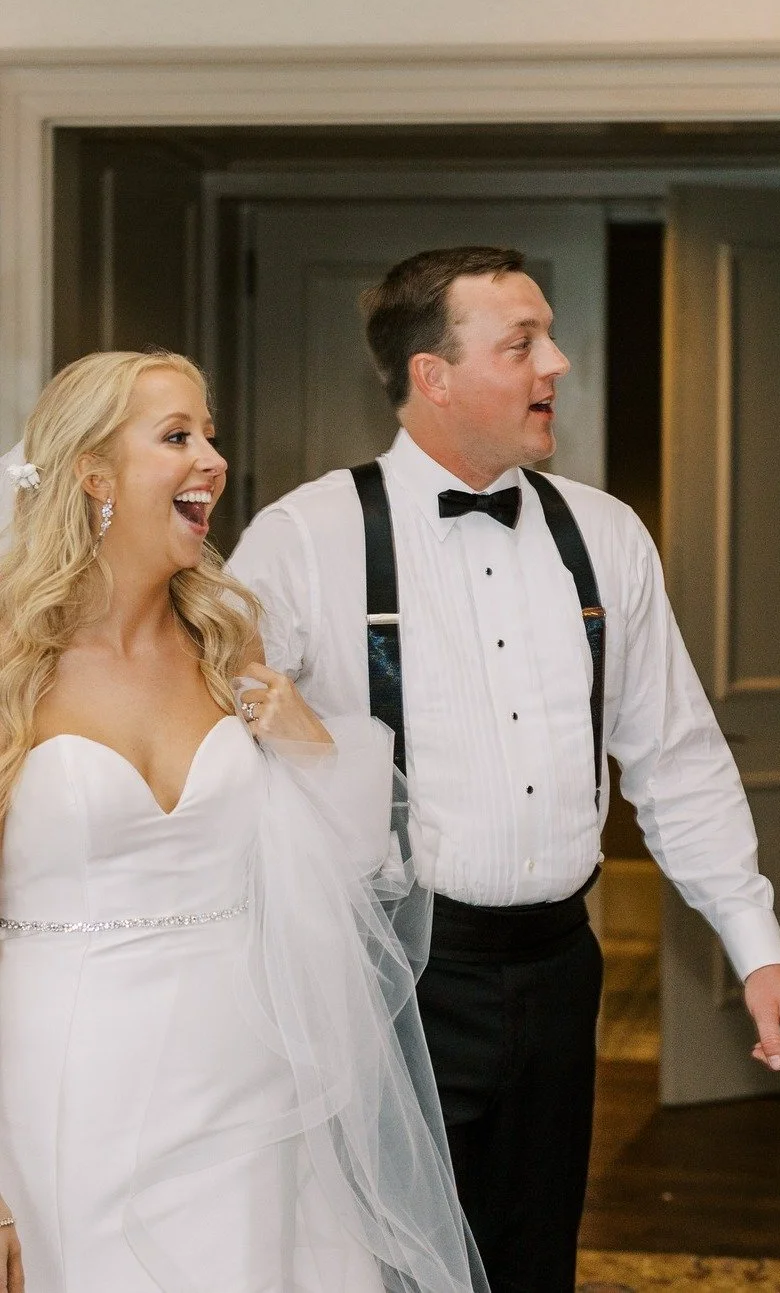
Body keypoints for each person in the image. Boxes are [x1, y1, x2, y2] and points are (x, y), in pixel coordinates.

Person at [228, 246, 780, 1293]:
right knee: (390, 1264)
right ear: (434, 376)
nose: (557, 362)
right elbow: (221, 764)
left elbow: (676, 757)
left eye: (547, 336)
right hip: (390, 979)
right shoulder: (305, 537)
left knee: (535, 1257)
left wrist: (758, 948)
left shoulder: (607, 537)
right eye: (522, 343)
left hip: (558, 968)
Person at [0, 351, 486, 1293]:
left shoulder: (228, 639)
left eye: (210, 434)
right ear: (94, 472)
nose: (213, 460)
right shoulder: (12, 661)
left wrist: (308, 743)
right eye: (178, 436)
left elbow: (347, 875)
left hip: (251, 1077)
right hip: (69, 1083)